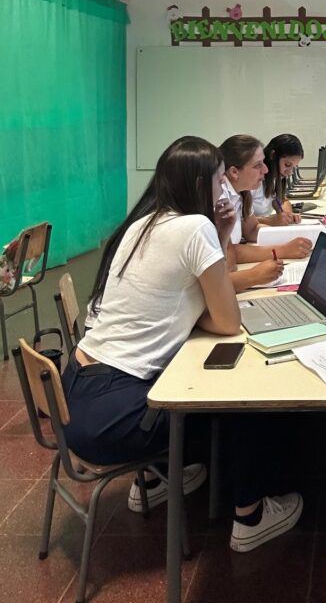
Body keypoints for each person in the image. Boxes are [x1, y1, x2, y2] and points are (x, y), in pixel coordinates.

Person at [61, 135, 303, 553]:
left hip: (76, 398)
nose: (223, 190)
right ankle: (250, 517)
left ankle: (155, 480)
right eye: (218, 180)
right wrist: (217, 242)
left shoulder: (143, 223)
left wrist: (222, 235)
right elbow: (227, 321)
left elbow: (189, 305)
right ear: (198, 184)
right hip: (115, 420)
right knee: (243, 393)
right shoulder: (194, 227)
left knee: (194, 366)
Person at [219, 135, 312, 292]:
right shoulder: (220, 197)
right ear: (234, 172)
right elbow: (229, 254)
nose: (266, 169)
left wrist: (290, 236)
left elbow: (251, 230)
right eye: (258, 165)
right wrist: (283, 250)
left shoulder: (241, 192)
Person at [254, 133, 305, 226]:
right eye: (287, 165)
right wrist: (271, 221)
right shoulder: (253, 180)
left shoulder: (274, 177)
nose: (290, 172)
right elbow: (240, 219)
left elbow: (283, 200)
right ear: (273, 156)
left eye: (293, 167)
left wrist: (287, 215)